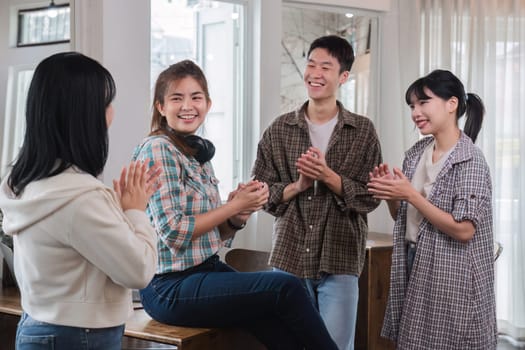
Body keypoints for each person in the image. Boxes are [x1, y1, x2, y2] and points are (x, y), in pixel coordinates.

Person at [132, 59, 339, 350]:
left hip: (205, 269)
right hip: (169, 287)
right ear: (161, 107)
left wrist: (239, 215)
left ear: (208, 103)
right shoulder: (158, 149)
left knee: (274, 321)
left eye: (196, 97)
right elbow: (174, 232)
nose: (188, 106)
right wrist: (232, 206)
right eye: (177, 98)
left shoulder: (196, 153)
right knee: (286, 286)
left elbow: (215, 236)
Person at [0, 52, 161, 350]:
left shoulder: (25, 182)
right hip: (79, 335)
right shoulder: (80, 198)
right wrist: (136, 211)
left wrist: (118, 209)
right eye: (107, 103)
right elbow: (138, 271)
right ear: (85, 114)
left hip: (37, 325)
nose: (112, 112)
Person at [251, 35, 382, 350]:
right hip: (289, 257)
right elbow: (260, 193)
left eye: (326, 67)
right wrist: (298, 186)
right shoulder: (279, 129)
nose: (315, 73)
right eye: (311, 64)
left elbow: (370, 196)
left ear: (343, 77)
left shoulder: (362, 130)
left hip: (340, 258)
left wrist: (329, 177)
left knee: (335, 346)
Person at [367, 69, 497, 349]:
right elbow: (403, 217)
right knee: (414, 340)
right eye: (412, 106)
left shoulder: (470, 160)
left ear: (452, 104)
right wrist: (391, 194)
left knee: (448, 341)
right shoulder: (416, 153)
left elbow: (464, 230)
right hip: (413, 258)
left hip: (453, 271)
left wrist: (410, 194)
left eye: (423, 102)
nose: (416, 112)